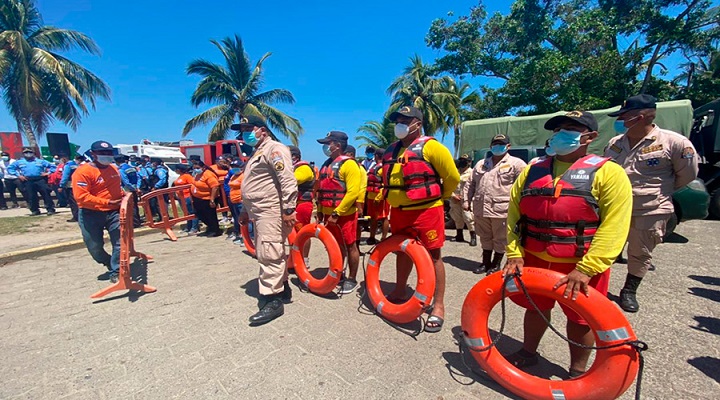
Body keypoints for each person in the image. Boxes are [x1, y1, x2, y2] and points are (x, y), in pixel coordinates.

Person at [503, 111, 632, 378]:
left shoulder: (609, 173)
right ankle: (529, 352)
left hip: (579, 263)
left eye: (571, 129)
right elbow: (514, 214)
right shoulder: (532, 170)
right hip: (534, 258)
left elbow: (615, 226)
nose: (562, 134)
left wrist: (587, 268)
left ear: (590, 136)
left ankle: (577, 371)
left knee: (580, 318)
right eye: (559, 129)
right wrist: (514, 253)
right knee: (535, 308)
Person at [604, 94, 699, 313]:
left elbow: (687, 174)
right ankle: (600, 288)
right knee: (605, 249)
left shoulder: (674, 142)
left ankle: (629, 291)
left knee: (640, 251)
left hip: (650, 209)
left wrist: (658, 192)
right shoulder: (615, 143)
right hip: (616, 208)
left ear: (642, 116)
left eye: (624, 116)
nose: (620, 120)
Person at [382, 106, 460, 333]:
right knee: (402, 251)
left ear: (417, 123)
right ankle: (399, 290)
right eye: (397, 120)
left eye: (405, 120)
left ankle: (438, 306)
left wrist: (441, 198)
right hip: (399, 211)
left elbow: (452, 177)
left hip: (426, 210)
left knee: (434, 255)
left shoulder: (432, 147)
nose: (400, 124)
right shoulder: (391, 150)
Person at [234, 115, 297, 325]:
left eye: (248, 128)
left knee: (270, 252)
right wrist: (244, 210)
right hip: (258, 211)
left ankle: (273, 299)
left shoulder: (275, 149)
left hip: (271, 210)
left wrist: (289, 208)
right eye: (242, 129)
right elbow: (253, 184)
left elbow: (287, 179)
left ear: (263, 130)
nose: (245, 133)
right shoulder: (256, 153)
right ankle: (284, 287)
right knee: (272, 250)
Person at [464, 134, 527, 274]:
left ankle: (496, 264)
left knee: (500, 238)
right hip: (481, 208)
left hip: (502, 209)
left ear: (508, 146)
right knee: (484, 236)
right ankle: (485, 263)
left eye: (501, 143)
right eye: (495, 143)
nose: (497, 146)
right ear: (491, 146)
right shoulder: (481, 164)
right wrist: (466, 201)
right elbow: (471, 184)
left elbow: (523, 188)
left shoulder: (517, 164)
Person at [317, 131, 363, 294]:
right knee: (333, 245)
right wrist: (321, 211)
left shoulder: (349, 164)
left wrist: (337, 213)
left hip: (345, 215)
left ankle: (352, 278)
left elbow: (352, 192)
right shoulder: (326, 164)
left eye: (328, 143)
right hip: (329, 213)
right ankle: (338, 272)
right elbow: (321, 189)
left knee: (350, 246)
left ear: (337, 145)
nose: (325, 146)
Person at [72, 141, 125, 283]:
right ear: (93, 154)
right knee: (94, 246)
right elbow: (81, 196)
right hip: (91, 213)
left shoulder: (114, 169)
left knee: (120, 242)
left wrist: (123, 195)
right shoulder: (83, 172)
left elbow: (114, 189)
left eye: (109, 153)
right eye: (103, 153)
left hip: (114, 212)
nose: (107, 156)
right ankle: (108, 261)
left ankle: (117, 270)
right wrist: (106, 202)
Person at [7, 147, 56, 215]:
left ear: (33, 153)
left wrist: (48, 173)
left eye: (30, 152)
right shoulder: (19, 162)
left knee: (46, 194)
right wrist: (18, 175)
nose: (28, 154)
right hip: (28, 180)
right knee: (31, 196)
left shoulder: (40, 161)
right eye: (26, 152)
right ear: (23, 154)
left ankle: (50, 209)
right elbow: (10, 168)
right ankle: (35, 210)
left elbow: (53, 166)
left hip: (40, 179)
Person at [290, 145, 315, 265]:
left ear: (295, 157)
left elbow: (292, 180)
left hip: (302, 205)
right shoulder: (293, 168)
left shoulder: (304, 168)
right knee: (293, 233)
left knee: (302, 232)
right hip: (293, 205)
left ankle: (305, 259)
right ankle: (295, 258)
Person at [190, 159, 222, 237]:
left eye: (197, 168)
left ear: (203, 167)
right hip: (199, 198)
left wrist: (212, 199)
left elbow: (215, 187)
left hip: (208, 198)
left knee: (210, 215)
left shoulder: (208, 174)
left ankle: (215, 230)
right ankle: (210, 228)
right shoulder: (198, 175)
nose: (196, 169)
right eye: (194, 168)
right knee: (200, 214)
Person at [449, 155, 476, 246]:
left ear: (469, 162)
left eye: (464, 161)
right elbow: (448, 185)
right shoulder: (454, 172)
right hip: (455, 199)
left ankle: (473, 237)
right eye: (461, 160)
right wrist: (453, 196)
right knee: (457, 218)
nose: (462, 162)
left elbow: (475, 188)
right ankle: (459, 235)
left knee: (468, 218)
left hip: (467, 200)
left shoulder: (472, 173)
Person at [344, 145, 368, 246]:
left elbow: (362, 188)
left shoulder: (359, 168)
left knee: (357, 225)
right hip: (346, 202)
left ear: (351, 154)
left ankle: (356, 245)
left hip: (356, 202)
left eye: (346, 154)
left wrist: (360, 205)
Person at [365, 148, 390, 245]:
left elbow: (385, 184)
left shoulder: (383, 168)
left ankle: (383, 238)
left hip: (380, 197)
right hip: (371, 196)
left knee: (383, 217)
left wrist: (379, 197)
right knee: (373, 217)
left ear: (376, 156)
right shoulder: (376, 167)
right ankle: (372, 237)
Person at [173, 164, 199, 235]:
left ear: (179, 169)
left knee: (192, 212)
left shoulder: (187, 176)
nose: (175, 170)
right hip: (181, 197)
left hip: (187, 196)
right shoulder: (180, 177)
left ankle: (194, 228)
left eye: (176, 169)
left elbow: (193, 184)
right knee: (187, 213)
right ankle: (189, 227)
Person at [59, 154, 85, 222]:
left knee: (73, 202)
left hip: (70, 185)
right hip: (80, 185)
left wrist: (61, 185)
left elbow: (65, 176)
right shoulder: (79, 165)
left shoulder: (68, 165)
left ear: (64, 158)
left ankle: (76, 217)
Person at [227, 159, 246, 245]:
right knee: (237, 219)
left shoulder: (243, 176)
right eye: (233, 167)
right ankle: (240, 235)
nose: (234, 169)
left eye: (236, 167)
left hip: (240, 201)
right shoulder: (233, 176)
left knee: (244, 220)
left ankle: (247, 237)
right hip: (234, 200)